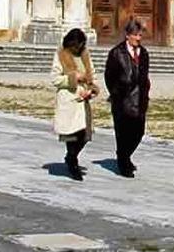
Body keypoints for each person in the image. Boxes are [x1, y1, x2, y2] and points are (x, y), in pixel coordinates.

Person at [104, 19, 152, 177]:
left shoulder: (144, 53)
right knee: (123, 133)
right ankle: (123, 163)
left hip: (139, 100)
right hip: (122, 100)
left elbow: (144, 75)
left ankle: (124, 155)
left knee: (138, 131)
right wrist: (116, 92)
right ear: (127, 36)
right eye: (135, 35)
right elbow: (109, 76)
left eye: (140, 35)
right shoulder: (116, 53)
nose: (138, 38)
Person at [52, 28, 97, 179]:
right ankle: (72, 162)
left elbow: (92, 76)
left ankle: (71, 157)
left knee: (84, 135)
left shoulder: (85, 56)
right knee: (72, 135)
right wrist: (73, 78)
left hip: (83, 101)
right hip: (69, 101)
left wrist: (91, 90)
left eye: (81, 45)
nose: (78, 49)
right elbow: (55, 79)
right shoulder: (61, 55)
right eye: (76, 46)